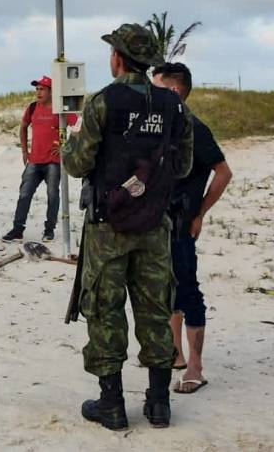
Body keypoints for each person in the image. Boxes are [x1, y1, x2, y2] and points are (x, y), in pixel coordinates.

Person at [62, 23, 193, 430]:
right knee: (155, 310)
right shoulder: (174, 106)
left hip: (109, 226)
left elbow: (77, 164)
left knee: (105, 310)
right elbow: (183, 166)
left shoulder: (103, 102)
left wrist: (69, 145)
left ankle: (113, 405)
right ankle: (159, 404)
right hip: (155, 224)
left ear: (117, 58)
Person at [152, 62, 232, 395]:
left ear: (173, 91)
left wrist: (200, 212)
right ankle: (176, 354)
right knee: (166, 288)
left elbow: (224, 172)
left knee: (187, 289)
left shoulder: (194, 128)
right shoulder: (159, 125)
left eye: (156, 87)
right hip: (157, 222)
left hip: (182, 222)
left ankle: (195, 368)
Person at [2, 75, 74, 243]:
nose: (38, 92)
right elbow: (23, 127)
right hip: (34, 160)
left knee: (52, 195)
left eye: (42, 89)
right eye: (37, 89)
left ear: (51, 91)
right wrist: (24, 151)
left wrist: (66, 147)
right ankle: (17, 229)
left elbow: (77, 126)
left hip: (53, 161)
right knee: (24, 194)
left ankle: (49, 230)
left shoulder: (61, 108)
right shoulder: (33, 107)